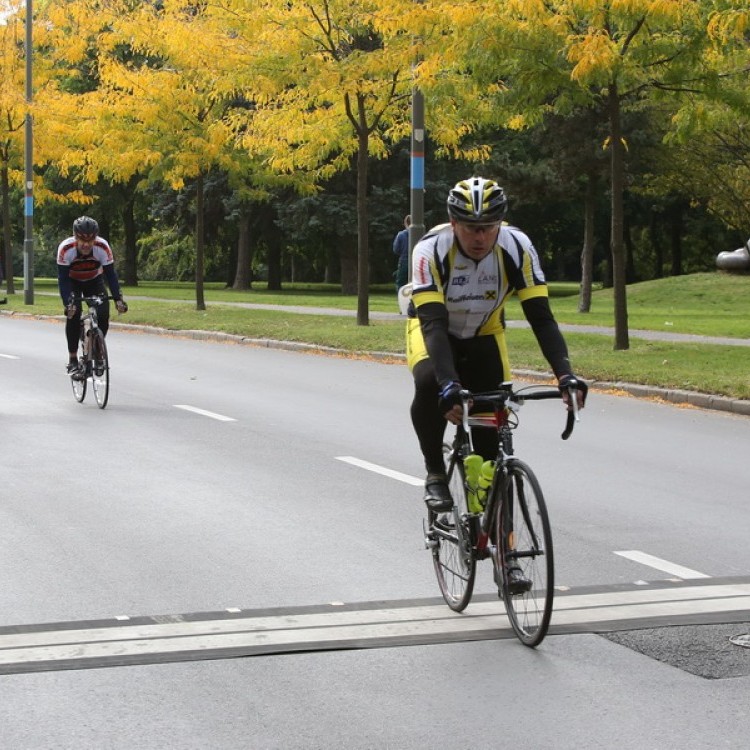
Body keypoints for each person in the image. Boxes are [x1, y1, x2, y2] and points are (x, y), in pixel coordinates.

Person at [406, 177, 587, 514]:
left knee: (491, 444)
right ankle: (435, 473)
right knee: (430, 383)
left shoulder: (517, 247)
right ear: (454, 222)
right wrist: (449, 383)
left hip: (486, 333)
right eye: (471, 228)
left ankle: (498, 537)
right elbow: (433, 323)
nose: (480, 237)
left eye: (488, 227)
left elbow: (542, 318)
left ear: (500, 223)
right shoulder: (429, 249)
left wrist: (566, 376)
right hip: (434, 329)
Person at [57, 216, 128, 375]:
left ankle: (97, 349)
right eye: (82, 240)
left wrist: (118, 298)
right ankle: (73, 359)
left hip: (94, 280)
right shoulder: (65, 249)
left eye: (90, 240)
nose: (86, 244)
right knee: (73, 316)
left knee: (103, 314)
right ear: (75, 237)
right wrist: (68, 303)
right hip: (72, 281)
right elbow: (62, 280)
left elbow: (110, 275)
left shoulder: (102, 247)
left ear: (95, 238)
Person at [392, 214, 411, 293]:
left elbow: (396, 250)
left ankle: (402, 299)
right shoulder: (420, 234)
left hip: (404, 260)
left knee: (400, 283)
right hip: (416, 260)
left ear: (405, 223)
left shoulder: (401, 235)